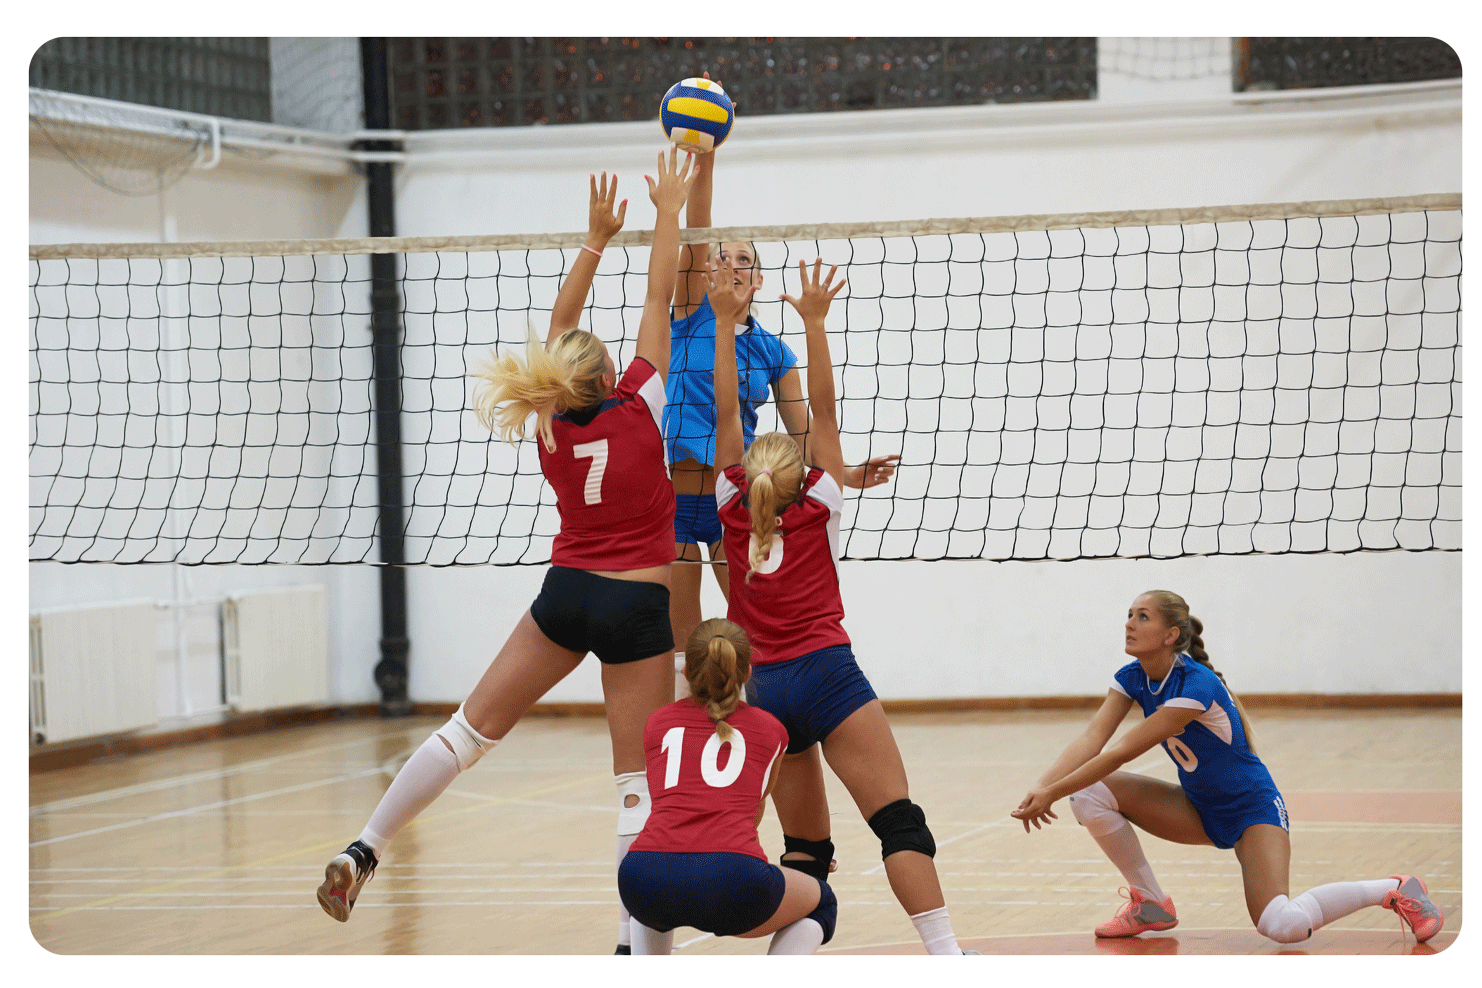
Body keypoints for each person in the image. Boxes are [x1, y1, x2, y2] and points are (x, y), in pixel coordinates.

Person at [316, 150, 697, 926]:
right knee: (636, 786)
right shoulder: (641, 405)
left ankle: (364, 848)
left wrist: (595, 239)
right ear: (612, 377)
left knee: (467, 732)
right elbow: (659, 296)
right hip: (635, 605)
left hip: (566, 596)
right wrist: (670, 212)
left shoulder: (550, 423)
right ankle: (634, 950)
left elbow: (560, 329)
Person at [704, 256, 967, 955]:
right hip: (828, 675)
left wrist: (725, 324)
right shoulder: (822, 499)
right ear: (803, 477)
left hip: (763, 689)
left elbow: (726, 411)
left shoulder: (730, 505)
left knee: (806, 854)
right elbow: (822, 411)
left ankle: (784, 959)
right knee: (898, 823)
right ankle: (946, 957)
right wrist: (815, 323)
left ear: (747, 477)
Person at [1011, 589, 1444, 945]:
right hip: (1197, 808)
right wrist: (1043, 785)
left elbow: (1122, 751)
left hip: (1251, 811)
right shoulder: (1132, 677)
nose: (1129, 623)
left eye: (1143, 617)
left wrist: (1051, 793)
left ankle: (1394, 888)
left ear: (1170, 635)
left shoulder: (1195, 684)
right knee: (1087, 794)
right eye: (1129, 614)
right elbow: (1092, 738)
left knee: (1283, 925)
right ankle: (1151, 903)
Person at [617, 619, 838, 955]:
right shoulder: (772, 730)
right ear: (747, 671)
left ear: (687, 672)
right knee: (822, 902)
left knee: (656, 900)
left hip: (642, 876)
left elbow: (670, 804)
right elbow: (752, 813)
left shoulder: (657, 723)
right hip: (731, 879)